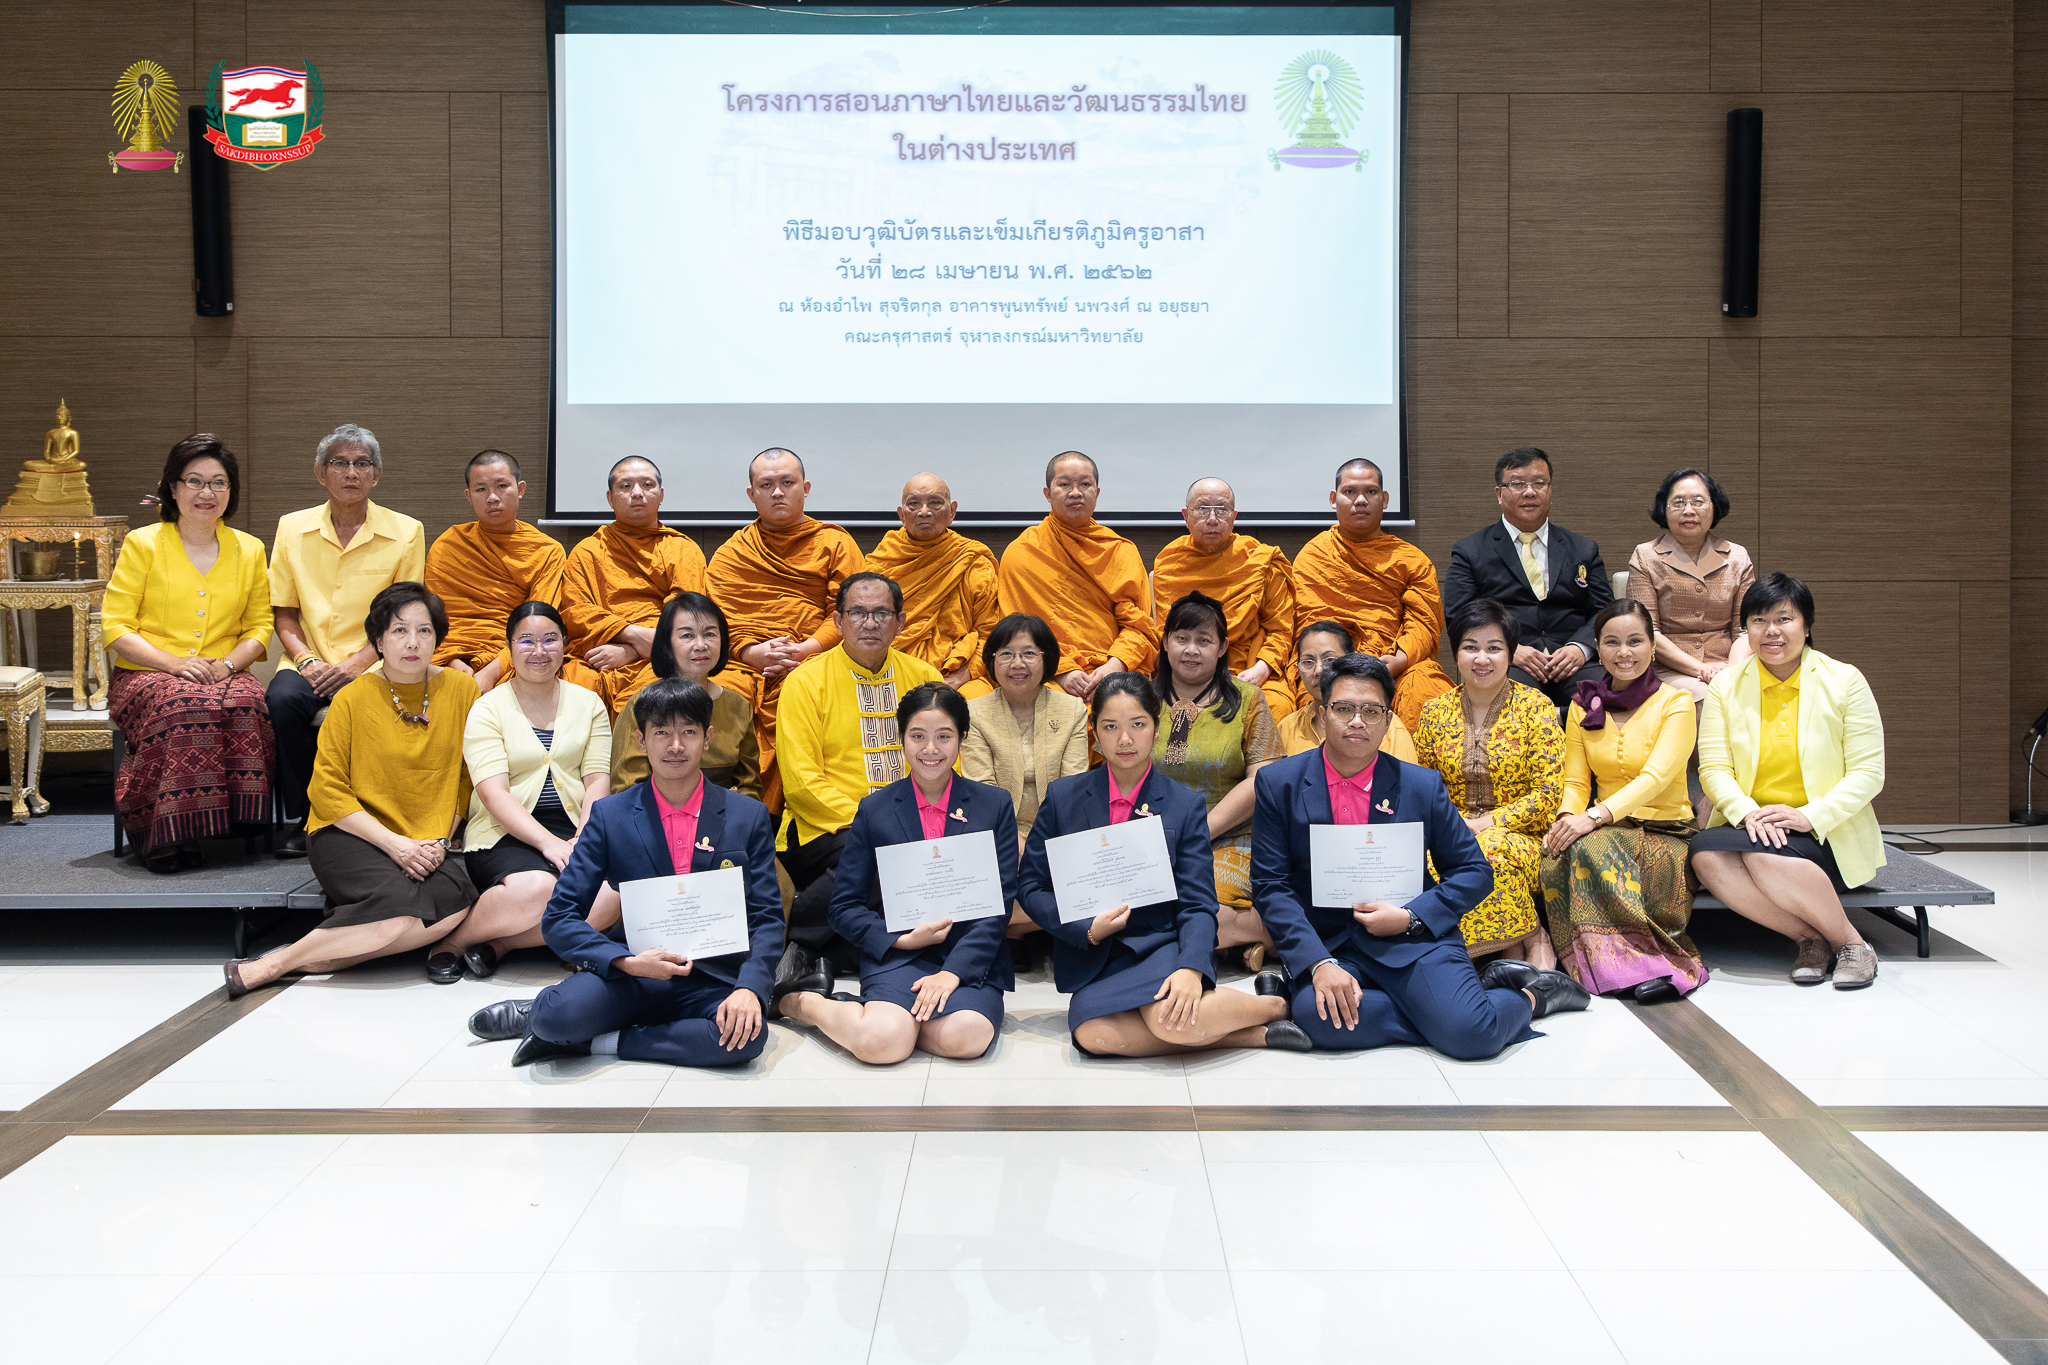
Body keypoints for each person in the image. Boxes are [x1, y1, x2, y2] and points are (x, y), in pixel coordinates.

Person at [1251, 654, 1587, 1058]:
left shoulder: (1419, 785)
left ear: (1388, 720)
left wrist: (1412, 917)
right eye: (1343, 709)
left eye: (1371, 711)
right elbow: (1270, 885)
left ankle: (1534, 996)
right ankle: (1451, 1008)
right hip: (1330, 943)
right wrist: (1317, 963)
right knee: (1315, 1015)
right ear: (1323, 714)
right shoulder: (1279, 783)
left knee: (1472, 1036)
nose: (1357, 721)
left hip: (1412, 938)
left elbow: (1473, 871)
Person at [466, 678, 784, 1068]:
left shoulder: (747, 815)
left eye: (688, 732)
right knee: (554, 1018)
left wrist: (750, 988)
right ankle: (542, 1013)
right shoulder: (610, 815)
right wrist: (625, 962)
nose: (675, 746)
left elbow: (768, 918)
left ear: (708, 738)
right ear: (640, 740)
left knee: (744, 1041)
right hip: (634, 972)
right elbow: (559, 916)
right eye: (661, 733)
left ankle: (597, 1043)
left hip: (713, 978)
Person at [1021, 672, 1308, 1056]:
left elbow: (1198, 902)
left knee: (1164, 1018)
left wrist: (1191, 967)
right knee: (1091, 1034)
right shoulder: (1063, 798)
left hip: (1163, 942)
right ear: (1095, 732)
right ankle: (1255, 1031)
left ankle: (1276, 1006)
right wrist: (1085, 929)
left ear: (1156, 729)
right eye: (1111, 726)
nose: (1125, 739)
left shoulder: (1182, 804)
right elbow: (1032, 885)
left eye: (1137, 725)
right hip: (1097, 950)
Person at [225, 583, 480, 995]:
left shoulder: (462, 690)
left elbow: (465, 779)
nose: (413, 642)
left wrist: (440, 839)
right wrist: (395, 845)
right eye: (399, 631)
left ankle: (320, 957)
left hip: (425, 838)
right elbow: (326, 789)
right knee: (399, 913)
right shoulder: (352, 697)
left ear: (438, 638)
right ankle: (272, 965)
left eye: (424, 631)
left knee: (456, 905)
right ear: (378, 641)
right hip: (350, 832)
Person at [775, 684, 1018, 1062]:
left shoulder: (994, 805)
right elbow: (844, 907)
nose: (930, 749)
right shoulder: (876, 809)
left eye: (944, 736)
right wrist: (901, 940)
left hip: (969, 952)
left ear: (963, 737)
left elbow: (998, 904)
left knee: (968, 1037)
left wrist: (953, 973)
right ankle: (803, 1003)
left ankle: (899, 1024)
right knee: (881, 1044)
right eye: (917, 736)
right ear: (901, 737)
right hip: (900, 954)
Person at [1691, 575, 1886, 990]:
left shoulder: (1845, 680)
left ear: (1807, 626)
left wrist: (1808, 816)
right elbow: (1714, 769)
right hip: (1754, 822)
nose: (1772, 631)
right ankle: (1809, 939)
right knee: (1706, 856)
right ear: (1746, 630)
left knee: (1763, 856)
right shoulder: (1726, 685)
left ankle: (1852, 944)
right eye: (1759, 621)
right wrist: (1748, 813)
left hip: (1825, 829)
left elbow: (1869, 773)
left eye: (1784, 619)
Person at [101, 435, 274, 873]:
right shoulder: (143, 543)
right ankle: (169, 834)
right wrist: (174, 664)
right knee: (181, 704)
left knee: (248, 701)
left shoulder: (250, 549)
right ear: (172, 488)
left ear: (231, 491)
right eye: (194, 481)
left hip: (223, 670)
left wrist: (229, 665)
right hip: (146, 672)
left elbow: (260, 627)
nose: (206, 492)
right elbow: (116, 626)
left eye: (218, 482)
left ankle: (230, 824)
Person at [773, 572, 943, 984]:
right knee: (876, 853)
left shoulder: (924, 678)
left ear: (900, 622)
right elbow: (801, 783)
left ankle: (827, 950)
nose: (870, 623)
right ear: (838, 621)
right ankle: (801, 937)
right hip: (821, 827)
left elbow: (945, 759)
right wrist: (877, 824)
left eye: (881, 613)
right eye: (858, 613)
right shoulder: (805, 681)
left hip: (913, 820)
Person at [266, 422, 426, 857]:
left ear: (377, 474)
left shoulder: (406, 531)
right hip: (307, 660)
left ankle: (374, 816)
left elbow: (405, 616)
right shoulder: (291, 528)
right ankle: (307, 818)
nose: (351, 473)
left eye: (362, 464)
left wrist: (358, 663)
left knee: (373, 705)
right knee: (282, 701)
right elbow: (284, 613)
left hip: (377, 661)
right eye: (339, 463)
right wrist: (306, 661)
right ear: (321, 473)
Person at [1539, 600, 1705, 1003]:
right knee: (1556, 856)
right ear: (1597, 648)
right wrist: (1565, 819)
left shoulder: (1676, 703)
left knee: (1593, 846)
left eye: (1635, 641)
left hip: (1666, 828)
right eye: (1612, 642)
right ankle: (1597, 964)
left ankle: (1662, 966)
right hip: (1608, 825)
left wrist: (1593, 818)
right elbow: (1576, 780)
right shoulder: (1582, 705)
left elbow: (1656, 778)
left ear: (1652, 646)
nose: (1624, 652)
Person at [443, 602, 615, 980]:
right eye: (526, 640)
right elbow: (494, 794)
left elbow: (597, 781)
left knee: (612, 895)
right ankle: (453, 943)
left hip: (572, 825)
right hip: (503, 830)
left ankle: (501, 945)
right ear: (509, 647)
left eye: (550, 639)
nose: (539, 650)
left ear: (565, 644)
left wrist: (583, 836)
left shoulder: (589, 703)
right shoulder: (487, 708)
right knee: (536, 888)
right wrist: (548, 844)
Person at [705, 448, 865, 812]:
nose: (777, 492)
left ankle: (794, 810)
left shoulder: (835, 543)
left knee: (804, 692)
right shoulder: (733, 551)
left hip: (817, 655)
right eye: (766, 485)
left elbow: (850, 611)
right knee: (718, 695)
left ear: (805, 488)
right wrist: (750, 652)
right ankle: (730, 808)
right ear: (751, 494)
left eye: (787, 483)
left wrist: (806, 649)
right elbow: (716, 618)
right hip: (743, 662)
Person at [1413, 598, 1565, 967]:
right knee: (1424, 865)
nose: (1482, 658)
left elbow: (1547, 794)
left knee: (1489, 852)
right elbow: (1426, 789)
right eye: (1471, 647)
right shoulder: (1434, 712)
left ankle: (1514, 946)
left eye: (1494, 648)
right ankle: (1518, 943)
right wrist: (1453, 826)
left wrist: (1487, 823)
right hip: (1452, 832)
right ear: (1456, 653)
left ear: (1510, 654)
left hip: (1523, 836)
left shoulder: (1535, 707)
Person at [1150, 592, 1284, 965]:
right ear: (1165, 641)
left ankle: (1267, 932)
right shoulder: (1140, 698)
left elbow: (1261, 781)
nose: (1191, 650)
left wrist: (1199, 830)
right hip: (1156, 838)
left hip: (1233, 836)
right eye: (1181, 638)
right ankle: (1238, 946)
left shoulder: (1248, 699)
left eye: (1204, 640)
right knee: (1141, 911)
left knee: (1204, 913)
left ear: (1222, 647)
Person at [960, 613, 1091, 959]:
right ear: (992, 661)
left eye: (1029, 653)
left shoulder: (1072, 709)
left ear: (1047, 659)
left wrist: (1047, 849)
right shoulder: (974, 713)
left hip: (1058, 834)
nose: (1017, 664)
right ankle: (1042, 924)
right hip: (997, 839)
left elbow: (1072, 788)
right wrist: (1023, 850)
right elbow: (983, 794)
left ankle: (1014, 928)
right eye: (1006, 654)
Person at [1291, 458, 1455, 728]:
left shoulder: (1412, 560)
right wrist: (1336, 665)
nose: (1360, 500)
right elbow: (1307, 625)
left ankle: (1414, 758)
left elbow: (1424, 623)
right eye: (1349, 492)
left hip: (1392, 665)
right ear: (1333, 499)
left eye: (1370, 491)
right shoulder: (1313, 556)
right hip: (1330, 665)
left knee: (1426, 687)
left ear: (1385, 499)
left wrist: (1400, 659)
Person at [1444, 447, 1611, 707]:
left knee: (1606, 698)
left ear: (1550, 491)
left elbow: (1605, 611)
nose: (1530, 492)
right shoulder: (1470, 550)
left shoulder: (1583, 548)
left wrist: (1580, 648)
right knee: (1511, 705)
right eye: (1517, 484)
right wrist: (1507, 649)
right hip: (1510, 662)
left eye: (1539, 483)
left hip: (1573, 661)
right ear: (1499, 494)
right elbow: (1459, 616)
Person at [997, 451, 1160, 698]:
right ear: (1047, 494)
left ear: (1097, 492)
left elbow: (1138, 627)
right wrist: (1061, 670)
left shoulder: (1120, 551)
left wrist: (1115, 666)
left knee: (1121, 705)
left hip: (1110, 668)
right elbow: (1014, 629)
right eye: (1064, 485)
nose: (1075, 493)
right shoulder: (1022, 552)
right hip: (1043, 671)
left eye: (1085, 484)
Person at [425, 451, 588, 694]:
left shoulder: (546, 551)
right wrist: (452, 662)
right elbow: (434, 618)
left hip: (515, 654)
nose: (492, 497)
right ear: (469, 496)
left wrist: (489, 674)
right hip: (450, 654)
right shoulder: (448, 544)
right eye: (481, 489)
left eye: (501, 486)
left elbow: (538, 624)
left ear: (520, 489)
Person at [561, 456, 709, 715]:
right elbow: (576, 611)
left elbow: (688, 614)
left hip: (663, 650)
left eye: (647, 485)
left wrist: (631, 651)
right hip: (600, 649)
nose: (637, 493)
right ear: (610, 498)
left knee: (662, 692)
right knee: (574, 684)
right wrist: (631, 635)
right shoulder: (588, 551)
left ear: (661, 495)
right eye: (626, 486)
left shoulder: (683, 549)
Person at [1150, 478, 1298, 720]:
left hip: (1248, 666)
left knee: (1276, 706)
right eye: (1202, 509)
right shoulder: (1170, 562)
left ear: (1234, 516)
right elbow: (1168, 634)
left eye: (1221, 510)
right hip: (1189, 667)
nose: (1212, 519)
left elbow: (1280, 629)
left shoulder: (1259, 560)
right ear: (1186, 515)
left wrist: (1262, 668)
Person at [610, 592, 762, 799]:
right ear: (667, 645)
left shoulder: (739, 706)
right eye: (687, 635)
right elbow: (627, 789)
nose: (701, 645)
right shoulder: (641, 704)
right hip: (655, 815)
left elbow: (750, 787)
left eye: (710, 634)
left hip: (725, 815)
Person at [861, 473, 1002, 690]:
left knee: (976, 698)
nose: (924, 512)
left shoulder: (972, 561)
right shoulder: (881, 562)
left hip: (958, 672)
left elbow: (990, 633)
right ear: (901, 514)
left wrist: (960, 677)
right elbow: (864, 627)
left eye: (935, 503)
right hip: (891, 667)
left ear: (952, 511)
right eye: (914, 504)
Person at [1628, 467, 1756, 706]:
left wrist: (1731, 670)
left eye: (1698, 501)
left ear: (1713, 507)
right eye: (1678, 502)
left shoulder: (1737, 557)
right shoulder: (1646, 556)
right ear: (1664, 509)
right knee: (1707, 700)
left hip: (1731, 664)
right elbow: (1648, 632)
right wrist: (1702, 669)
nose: (1688, 510)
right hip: (1670, 668)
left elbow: (1745, 630)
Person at [1280, 620, 1419, 763]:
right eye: (1308, 662)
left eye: (1329, 660)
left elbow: (1404, 777)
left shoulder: (1385, 725)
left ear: (1349, 662)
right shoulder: (1286, 728)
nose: (1318, 670)